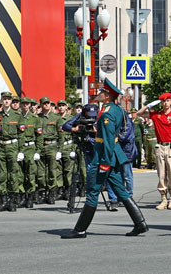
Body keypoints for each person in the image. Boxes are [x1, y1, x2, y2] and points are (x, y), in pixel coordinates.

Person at [61, 78, 148, 239]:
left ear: (107, 96)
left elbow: (108, 139)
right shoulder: (115, 109)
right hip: (112, 155)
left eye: (102, 92)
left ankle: (80, 229)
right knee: (121, 190)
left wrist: (105, 164)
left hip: (103, 157)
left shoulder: (107, 113)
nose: (99, 94)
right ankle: (140, 223)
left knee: (93, 190)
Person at [137, 92, 171, 210]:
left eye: (167, 101)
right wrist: (149, 105)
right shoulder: (156, 115)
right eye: (163, 101)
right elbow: (139, 113)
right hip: (160, 147)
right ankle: (163, 198)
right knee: (161, 174)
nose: (165, 103)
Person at [0, 92, 23, 212]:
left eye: (8, 99)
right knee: (1, 174)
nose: (6, 101)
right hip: (1, 146)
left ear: (11, 101)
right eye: (4, 99)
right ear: (1, 101)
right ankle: (3, 200)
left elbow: (22, 134)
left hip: (13, 146)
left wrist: (20, 150)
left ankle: (12, 200)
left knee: (13, 174)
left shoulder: (17, 115)